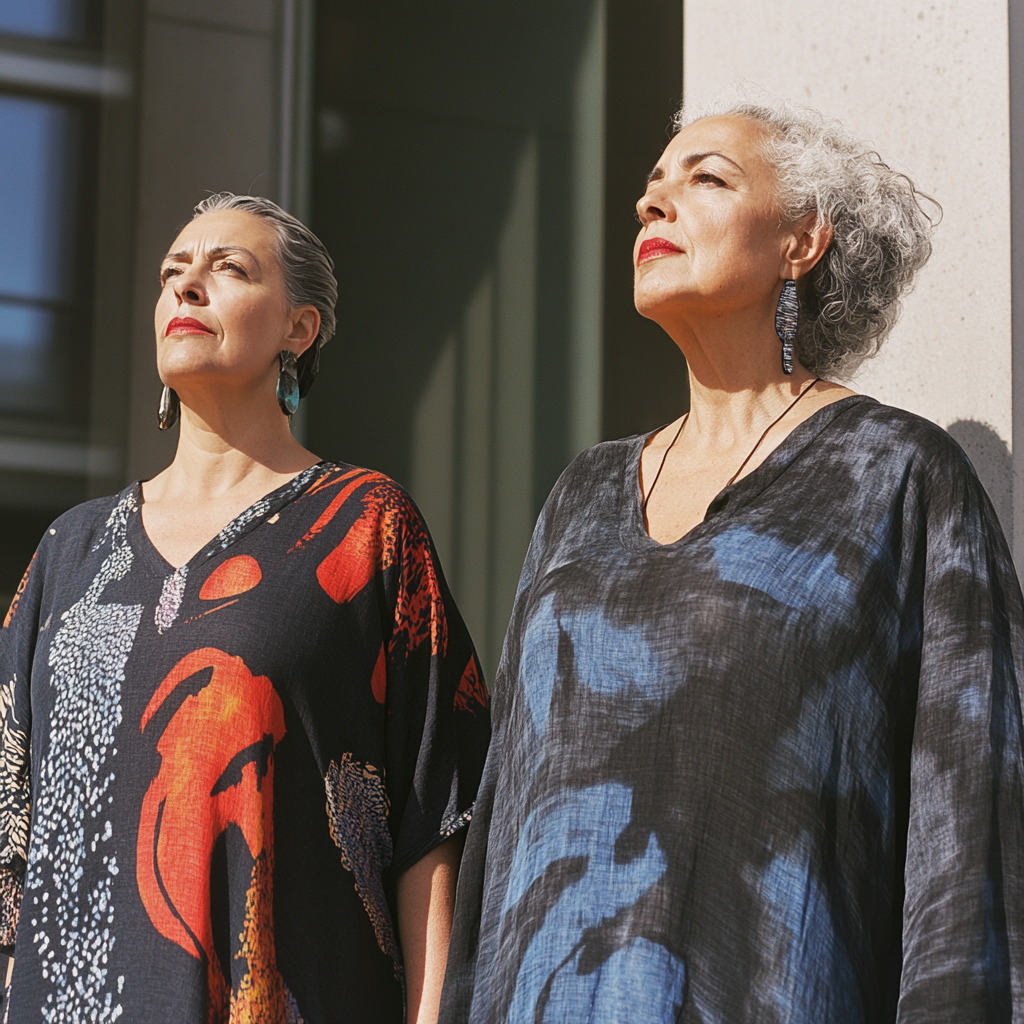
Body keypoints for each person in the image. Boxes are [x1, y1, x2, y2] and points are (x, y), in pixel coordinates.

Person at [439, 93, 1024, 1024]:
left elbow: (970, 842)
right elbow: (504, 822)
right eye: (649, 187)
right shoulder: (581, 495)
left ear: (802, 239)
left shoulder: (898, 477)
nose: (652, 204)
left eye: (705, 177)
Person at [0, 193, 490, 1023]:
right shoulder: (70, 551)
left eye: (228, 269)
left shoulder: (366, 526)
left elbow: (433, 823)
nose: (186, 287)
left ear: (300, 330)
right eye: (172, 275)